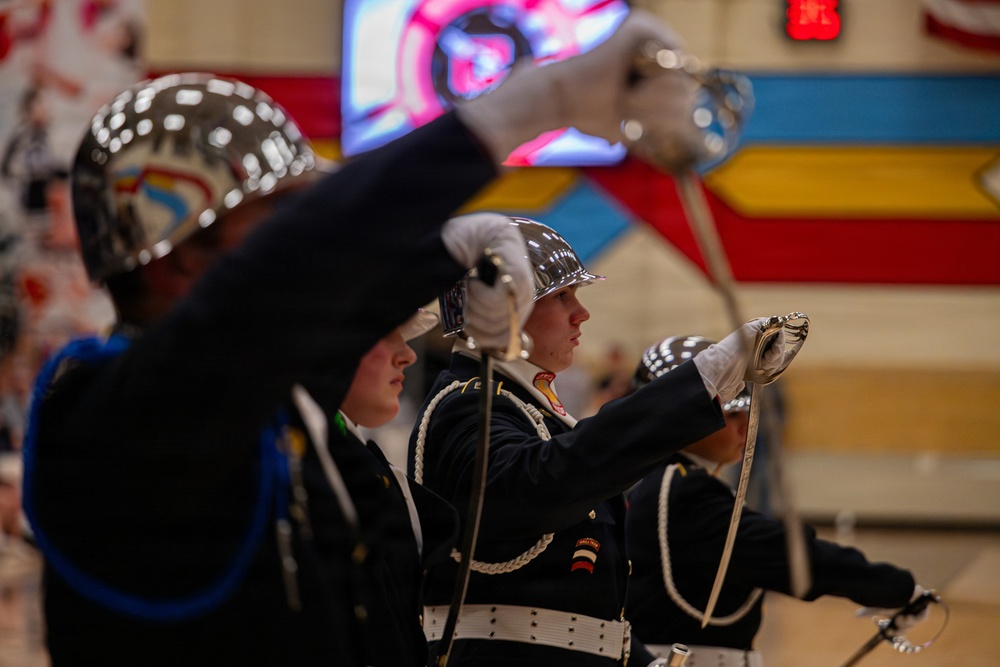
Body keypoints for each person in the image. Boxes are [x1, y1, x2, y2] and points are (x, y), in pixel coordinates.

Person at [20, 9, 710, 664]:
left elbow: (326, 313)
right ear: (176, 258)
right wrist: (528, 107)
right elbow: (274, 294)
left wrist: (452, 250)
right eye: (274, 220)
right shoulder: (106, 413)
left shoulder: (266, 400)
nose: (306, 249)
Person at [408, 216, 793, 666]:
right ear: (502, 309)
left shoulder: (524, 408)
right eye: (561, 296)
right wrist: (703, 378)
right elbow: (543, 483)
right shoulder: (466, 404)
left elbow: (578, 613)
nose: (582, 313)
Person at [624, 335, 928, 667]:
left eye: (747, 413)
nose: (745, 426)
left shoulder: (649, 478)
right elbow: (785, 555)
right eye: (731, 414)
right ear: (679, 415)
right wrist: (894, 587)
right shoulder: (682, 491)